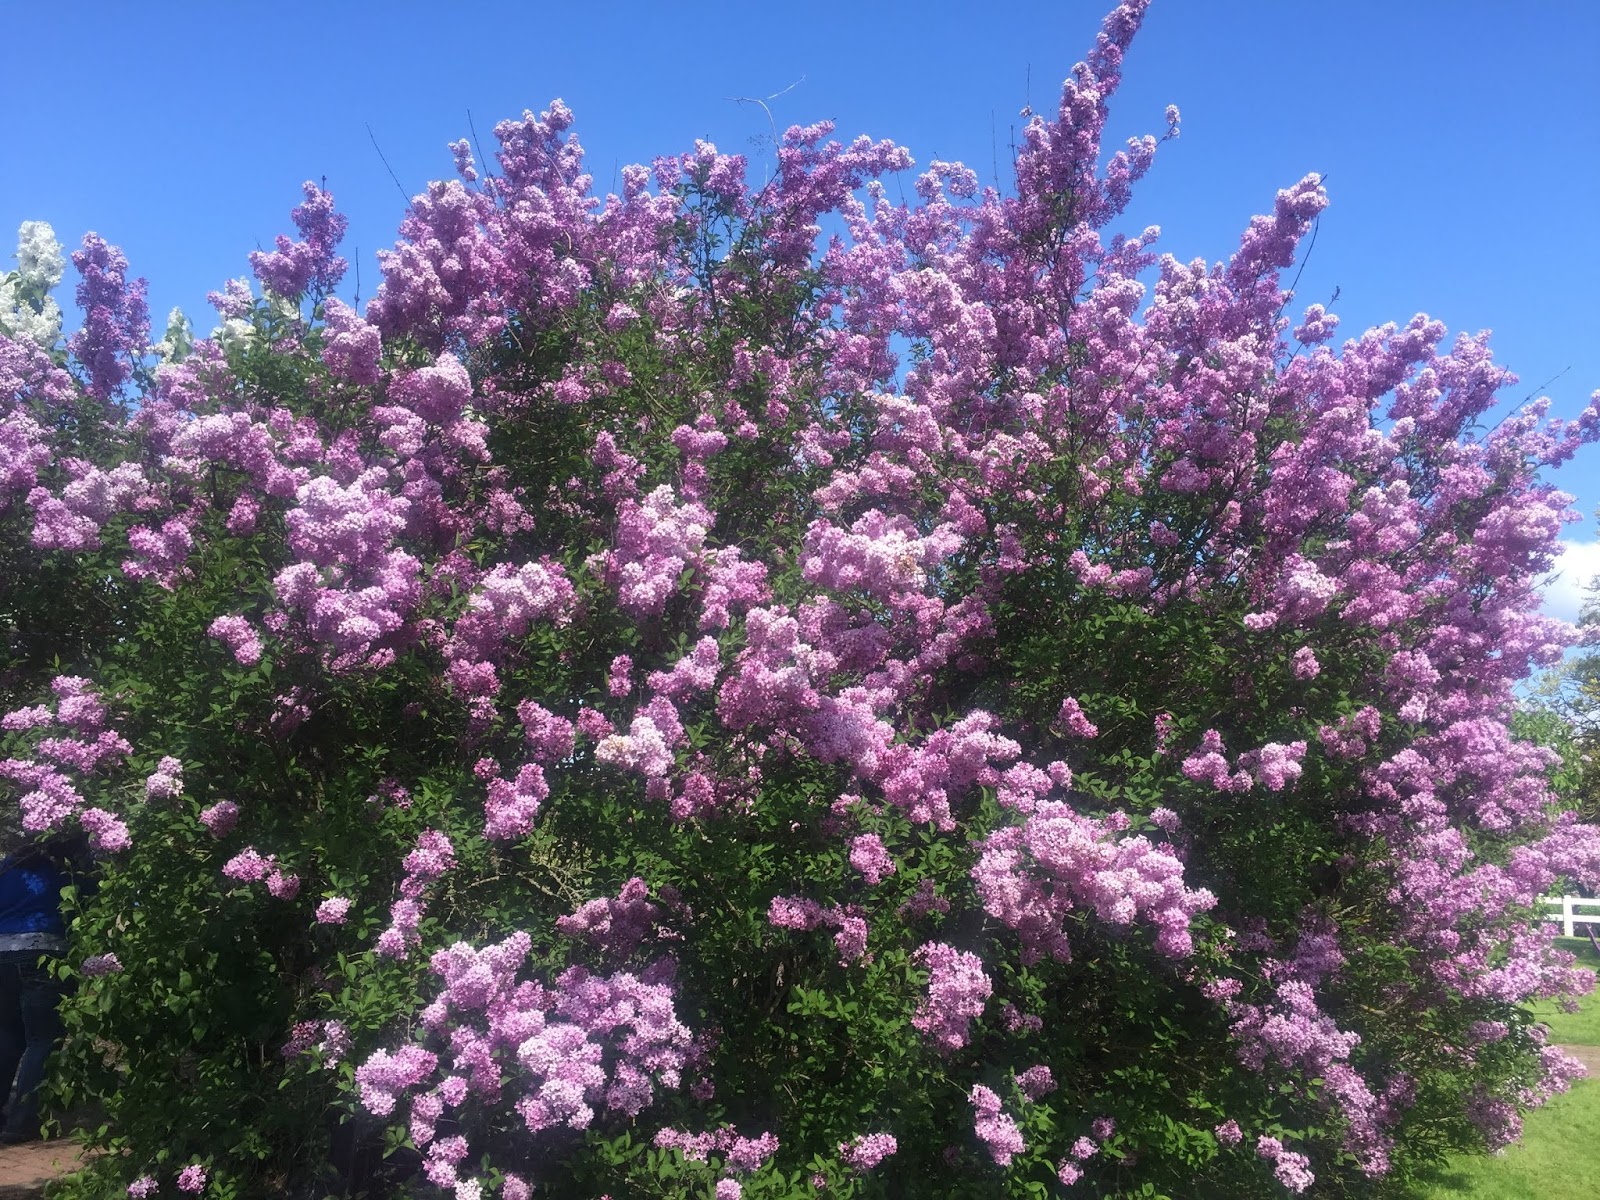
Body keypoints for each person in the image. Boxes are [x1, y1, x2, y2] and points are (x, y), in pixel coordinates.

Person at [0, 834, 85, 1144]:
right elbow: (87, 900)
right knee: (43, 1039)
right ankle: (21, 1123)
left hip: (2, 955)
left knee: (8, 1035)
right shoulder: (62, 873)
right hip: (45, 954)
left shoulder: (6, 868)